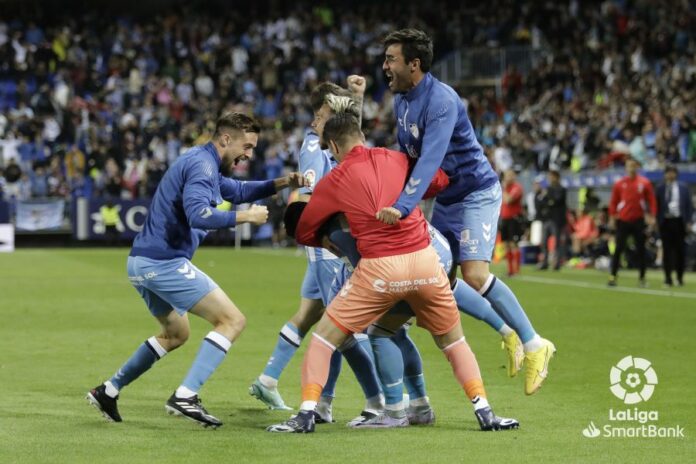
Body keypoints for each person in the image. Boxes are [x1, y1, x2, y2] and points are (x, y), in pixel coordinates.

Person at [267, 113, 518, 433]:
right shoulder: (398, 159)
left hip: (379, 270)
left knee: (323, 339)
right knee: (454, 343)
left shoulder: (338, 177)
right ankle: (484, 410)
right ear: (361, 135)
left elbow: (303, 229)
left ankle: (306, 415)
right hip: (427, 261)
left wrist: (332, 231)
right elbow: (439, 180)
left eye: (331, 153)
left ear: (333, 146)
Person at [86, 113, 307, 428]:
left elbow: (238, 191)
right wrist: (246, 218)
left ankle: (108, 391)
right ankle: (185, 396)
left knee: (176, 333)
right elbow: (199, 215)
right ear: (225, 139)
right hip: (164, 262)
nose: (250, 154)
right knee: (232, 320)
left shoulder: (203, 163)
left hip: (140, 262)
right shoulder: (203, 167)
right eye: (247, 146)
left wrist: (283, 182)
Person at [377, 28, 554, 395]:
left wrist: (403, 205)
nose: (385, 67)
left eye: (391, 59)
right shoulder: (401, 100)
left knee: (474, 274)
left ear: (414, 64)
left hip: (476, 193)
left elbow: (429, 160)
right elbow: (408, 159)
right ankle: (508, 334)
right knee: (440, 275)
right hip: (447, 197)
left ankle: (536, 343)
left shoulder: (442, 100)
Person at [250, 79, 387, 427]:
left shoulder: (331, 140)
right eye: (321, 113)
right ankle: (377, 400)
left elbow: (352, 135)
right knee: (342, 329)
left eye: (322, 114)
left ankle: (311, 397)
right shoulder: (315, 147)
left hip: (326, 247)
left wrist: (357, 96)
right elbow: (312, 193)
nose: (315, 120)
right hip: (328, 248)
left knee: (312, 316)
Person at [608, 157, 657, 287]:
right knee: (618, 249)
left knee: (641, 249)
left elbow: (651, 200)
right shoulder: (619, 184)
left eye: (634, 166)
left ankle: (642, 278)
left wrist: (652, 215)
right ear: (625, 168)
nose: (632, 168)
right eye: (629, 166)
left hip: (638, 220)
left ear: (637, 167)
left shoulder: (644, 183)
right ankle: (613, 276)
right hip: (623, 220)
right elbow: (613, 202)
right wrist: (612, 217)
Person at [656, 164, 693, 286]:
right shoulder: (660, 188)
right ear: (665, 174)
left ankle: (680, 277)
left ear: (676, 174)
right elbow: (657, 206)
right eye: (668, 172)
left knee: (680, 251)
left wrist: (688, 222)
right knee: (667, 251)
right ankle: (668, 278)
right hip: (665, 221)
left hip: (679, 221)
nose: (670, 175)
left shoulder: (683, 188)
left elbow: (688, 206)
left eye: (673, 172)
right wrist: (656, 221)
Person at [538, 169, 567, 270]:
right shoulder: (548, 188)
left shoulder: (561, 189)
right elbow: (542, 201)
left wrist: (549, 199)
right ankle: (545, 262)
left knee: (557, 242)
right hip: (547, 218)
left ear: (557, 177)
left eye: (552, 176)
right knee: (544, 242)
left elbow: (557, 200)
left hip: (557, 219)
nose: (550, 179)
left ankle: (557, 263)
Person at [500, 170, 524, 276]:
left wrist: (504, 189)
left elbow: (508, 200)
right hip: (504, 218)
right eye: (506, 175)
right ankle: (509, 270)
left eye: (509, 175)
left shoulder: (516, 187)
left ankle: (516, 270)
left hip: (514, 219)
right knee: (506, 244)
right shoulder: (504, 188)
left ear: (513, 176)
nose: (507, 177)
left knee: (514, 244)